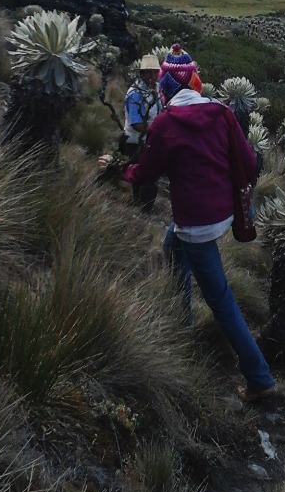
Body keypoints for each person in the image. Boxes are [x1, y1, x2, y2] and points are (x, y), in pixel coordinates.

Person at [100, 43, 275, 403]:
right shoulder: (223, 113)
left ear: (164, 87)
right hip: (222, 213)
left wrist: (118, 169)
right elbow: (249, 159)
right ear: (194, 83)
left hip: (196, 224)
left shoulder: (166, 123)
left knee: (221, 299)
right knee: (170, 246)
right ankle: (181, 319)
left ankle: (259, 378)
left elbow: (146, 172)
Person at [119, 54, 161, 210]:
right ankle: (141, 207)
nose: (154, 76)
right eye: (150, 72)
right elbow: (135, 122)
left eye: (156, 72)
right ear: (143, 73)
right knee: (142, 175)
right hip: (136, 140)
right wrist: (153, 132)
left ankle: (143, 205)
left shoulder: (154, 91)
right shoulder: (135, 94)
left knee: (147, 175)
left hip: (149, 140)